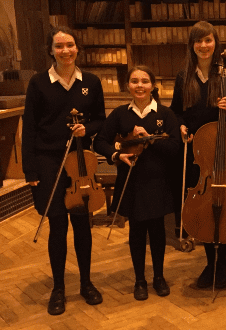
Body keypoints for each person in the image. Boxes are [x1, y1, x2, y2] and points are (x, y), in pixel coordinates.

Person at [22, 26, 105, 315]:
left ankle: (85, 282)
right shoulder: (38, 83)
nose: (65, 51)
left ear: (77, 48)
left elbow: (100, 121)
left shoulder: (91, 82)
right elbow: (30, 127)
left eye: (70, 45)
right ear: (51, 50)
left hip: (80, 161)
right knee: (57, 225)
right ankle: (59, 288)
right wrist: (29, 170)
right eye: (59, 46)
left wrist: (88, 128)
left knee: (82, 224)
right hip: (48, 162)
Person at [93, 66, 181, 301]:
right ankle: (140, 279)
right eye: (134, 81)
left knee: (158, 232)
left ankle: (159, 277)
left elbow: (175, 147)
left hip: (159, 181)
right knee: (137, 232)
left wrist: (149, 141)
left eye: (144, 81)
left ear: (152, 85)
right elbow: (99, 142)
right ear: (128, 86)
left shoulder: (165, 114)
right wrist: (117, 153)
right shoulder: (120, 114)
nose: (139, 85)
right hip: (131, 182)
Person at [169, 21, 226, 290]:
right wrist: (178, 124)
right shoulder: (184, 76)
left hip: (221, 150)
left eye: (208, 40)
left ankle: (221, 262)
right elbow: (175, 111)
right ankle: (210, 261)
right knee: (202, 205)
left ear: (216, 43)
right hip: (195, 152)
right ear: (192, 45)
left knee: (221, 204)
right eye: (198, 41)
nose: (203, 45)